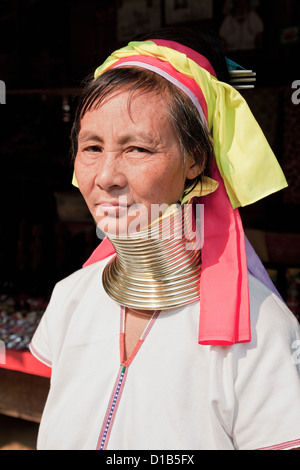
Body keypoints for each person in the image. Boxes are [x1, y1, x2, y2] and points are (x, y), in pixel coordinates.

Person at [30, 27, 300, 450]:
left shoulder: (261, 329)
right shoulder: (71, 299)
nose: (105, 178)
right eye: (92, 147)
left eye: (137, 149)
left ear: (195, 160)